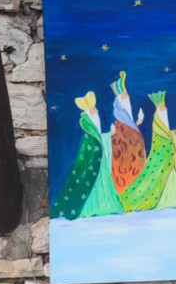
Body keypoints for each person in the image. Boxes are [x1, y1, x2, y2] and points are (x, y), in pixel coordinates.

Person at [51, 92, 123, 220]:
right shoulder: (87, 127)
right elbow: (95, 142)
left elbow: (98, 138)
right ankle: (91, 207)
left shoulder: (90, 126)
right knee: (88, 182)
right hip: (93, 161)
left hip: (99, 161)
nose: (97, 111)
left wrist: (109, 135)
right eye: (94, 108)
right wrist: (109, 135)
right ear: (90, 111)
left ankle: (104, 205)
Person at [119, 92, 176, 212]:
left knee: (171, 176)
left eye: (165, 109)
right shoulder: (157, 125)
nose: (165, 111)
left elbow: (169, 135)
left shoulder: (162, 126)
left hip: (169, 157)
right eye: (162, 109)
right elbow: (161, 142)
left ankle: (174, 197)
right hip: (164, 159)